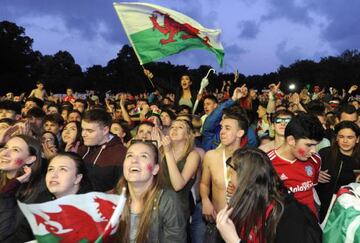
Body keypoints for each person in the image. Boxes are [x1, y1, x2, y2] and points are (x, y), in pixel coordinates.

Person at [216, 147, 322, 243]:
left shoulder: (288, 215)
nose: (229, 177)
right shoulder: (245, 204)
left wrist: (233, 240)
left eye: (231, 170)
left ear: (245, 176)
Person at [115, 141, 186, 242]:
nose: (134, 160)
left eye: (143, 156)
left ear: (155, 169)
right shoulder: (115, 198)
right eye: (129, 155)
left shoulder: (168, 200)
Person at [200, 106, 249, 241]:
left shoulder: (250, 160)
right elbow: (204, 183)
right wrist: (205, 201)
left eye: (227, 128)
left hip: (242, 224)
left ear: (240, 132)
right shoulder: (211, 156)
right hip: (215, 224)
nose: (222, 132)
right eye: (221, 128)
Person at [267, 113, 324, 217]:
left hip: (310, 223)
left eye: (316, 145)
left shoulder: (315, 160)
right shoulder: (267, 163)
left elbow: (312, 187)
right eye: (309, 145)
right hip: (281, 223)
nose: (313, 151)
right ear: (291, 140)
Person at [0, 135, 45, 242]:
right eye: (5, 148)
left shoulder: (37, 191)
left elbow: (5, 234)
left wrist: (9, 190)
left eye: (15, 150)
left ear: (29, 159)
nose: (4, 153)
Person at [316, 121, 360, 222]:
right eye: (341, 136)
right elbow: (308, 175)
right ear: (336, 138)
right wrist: (315, 176)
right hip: (323, 206)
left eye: (350, 137)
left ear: (357, 139)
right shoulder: (324, 153)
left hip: (349, 209)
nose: (345, 141)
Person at [160, 119, 201, 220]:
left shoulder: (193, 155)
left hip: (178, 210)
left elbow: (178, 185)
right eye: (172, 127)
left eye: (180, 127)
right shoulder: (161, 150)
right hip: (159, 205)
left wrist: (168, 152)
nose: (174, 129)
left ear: (188, 135)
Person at [78, 108, 126, 192]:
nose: (83, 134)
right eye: (83, 129)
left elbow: (123, 188)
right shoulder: (82, 149)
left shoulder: (121, 154)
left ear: (105, 130)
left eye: (89, 131)